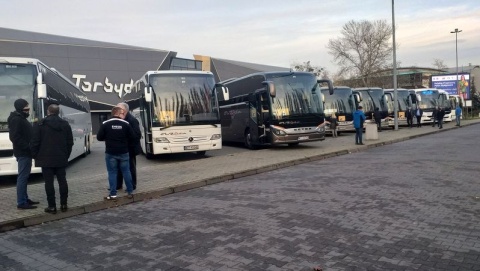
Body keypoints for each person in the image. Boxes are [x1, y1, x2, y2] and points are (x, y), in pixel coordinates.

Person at [31, 104, 73, 214]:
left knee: (48, 183)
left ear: (48, 112)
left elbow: (35, 142)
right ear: (58, 112)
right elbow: (70, 142)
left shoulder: (40, 124)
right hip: (60, 158)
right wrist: (66, 155)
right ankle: (64, 205)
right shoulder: (65, 124)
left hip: (45, 158)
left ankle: (52, 206)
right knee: (62, 181)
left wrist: (35, 155)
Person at [97, 106, 135, 200]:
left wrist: (108, 138)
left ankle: (113, 194)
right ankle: (130, 192)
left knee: (112, 173)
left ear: (112, 113)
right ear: (118, 113)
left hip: (111, 152)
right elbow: (133, 137)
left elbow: (99, 137)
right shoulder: (126, 124)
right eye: (122, 113)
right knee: (126, 171)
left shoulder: (105, 124)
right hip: (123, 152)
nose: (123, 114)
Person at [8, 98, 39, 210]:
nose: (28, 108)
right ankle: (21, 202)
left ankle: (25, 198)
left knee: (24, 177)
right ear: (21, 107)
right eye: (26, 106)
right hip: (23, 152)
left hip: (25, 152)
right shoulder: (17, 119)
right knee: (22, 177)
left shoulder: (20, 118)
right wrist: (28, 146)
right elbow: (15, 137)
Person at [115, 102, 141, 191]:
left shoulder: (132, 120)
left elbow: (137, 135)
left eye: (119, 108)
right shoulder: (118, 119)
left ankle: (132, 185)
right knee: (119, 167)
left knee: (130, 168)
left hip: (130, 149)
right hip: (120, 149)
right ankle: (118, 185)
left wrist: (125, 138)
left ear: (124, 110)